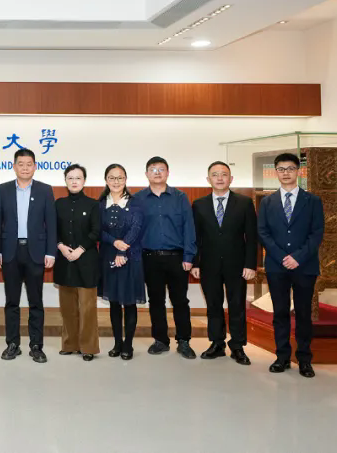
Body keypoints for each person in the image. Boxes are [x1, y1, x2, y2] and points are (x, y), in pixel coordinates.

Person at [258, 152, 324, 378]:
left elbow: (317, 233)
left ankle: (304, 359)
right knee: (280, 312)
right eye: (281, 169)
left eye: (290, 169)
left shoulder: (312, 201)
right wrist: (280, 256)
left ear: (299, 171)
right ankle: (282, 357)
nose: (286, 173)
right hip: (276, 266)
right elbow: (263, 232)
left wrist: (298, 257)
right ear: (276, 172)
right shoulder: (267, 202)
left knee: (304, 313)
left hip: (305, 266)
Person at [191, 161, 258, 365]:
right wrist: (195, 263)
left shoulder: (245, 203)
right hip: (208, 264)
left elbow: (252, 237)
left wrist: (250, 264)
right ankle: (217, 343)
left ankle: (237, 346)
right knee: (213, 305)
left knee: (237, 305)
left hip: (237, 265)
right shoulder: (199, 204)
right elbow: (195, 237)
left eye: (224, 174)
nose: (219, 178)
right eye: (215, 174)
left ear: (231, 179)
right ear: (208, 179)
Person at [0, 148, 56, 363]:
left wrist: (51, 252)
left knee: (35, 301)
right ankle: (12, 344)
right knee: (11, 301)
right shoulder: (3, 190)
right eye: (20, 164)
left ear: (35, 166)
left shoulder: (45, 190)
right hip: (10, 252)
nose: (25, 168)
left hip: (36, 252)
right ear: (14, 166)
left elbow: (51, 223)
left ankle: (36, 346)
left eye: (29, 164)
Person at [135, 156, 197, 359]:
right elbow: (134, 230)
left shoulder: (180, 197)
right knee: (156, 301)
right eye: (153, 169)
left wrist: (189, 256)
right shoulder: (138, 199)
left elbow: (189, 228)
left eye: (161, 169)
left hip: (177, 258)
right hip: (149, 258)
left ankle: (184, 341)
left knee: (180, 301)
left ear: (168, 173)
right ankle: (160, 340)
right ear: (146, 174)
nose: (157, 173)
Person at [53, 164, 101, 361]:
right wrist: (61, 246)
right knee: (67, 308)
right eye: (70, 178)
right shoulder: (58, 204)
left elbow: (96, 231)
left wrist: (80, 249)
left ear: (84, 181)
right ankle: (69, 344)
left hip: (86, 261)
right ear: (65, 181)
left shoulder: (93, 204)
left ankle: (88, 347)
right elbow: (52, 229)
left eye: (78, 178)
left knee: (87, 308)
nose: (74, 181)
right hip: (64, 261)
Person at [99, 164, 144, 360]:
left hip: (130, 256)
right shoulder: (100, 204)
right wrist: (114, 242)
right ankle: (117, 343)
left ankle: (128, 345)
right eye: (112, 178)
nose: (116, 182)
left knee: (130, 302)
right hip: (108, 257)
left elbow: (136, 228)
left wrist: (121, 249)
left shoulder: (135, 203)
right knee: (114, 303)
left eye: (120, 178)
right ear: (106, 180)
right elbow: (98, 230)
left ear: (125, 179)